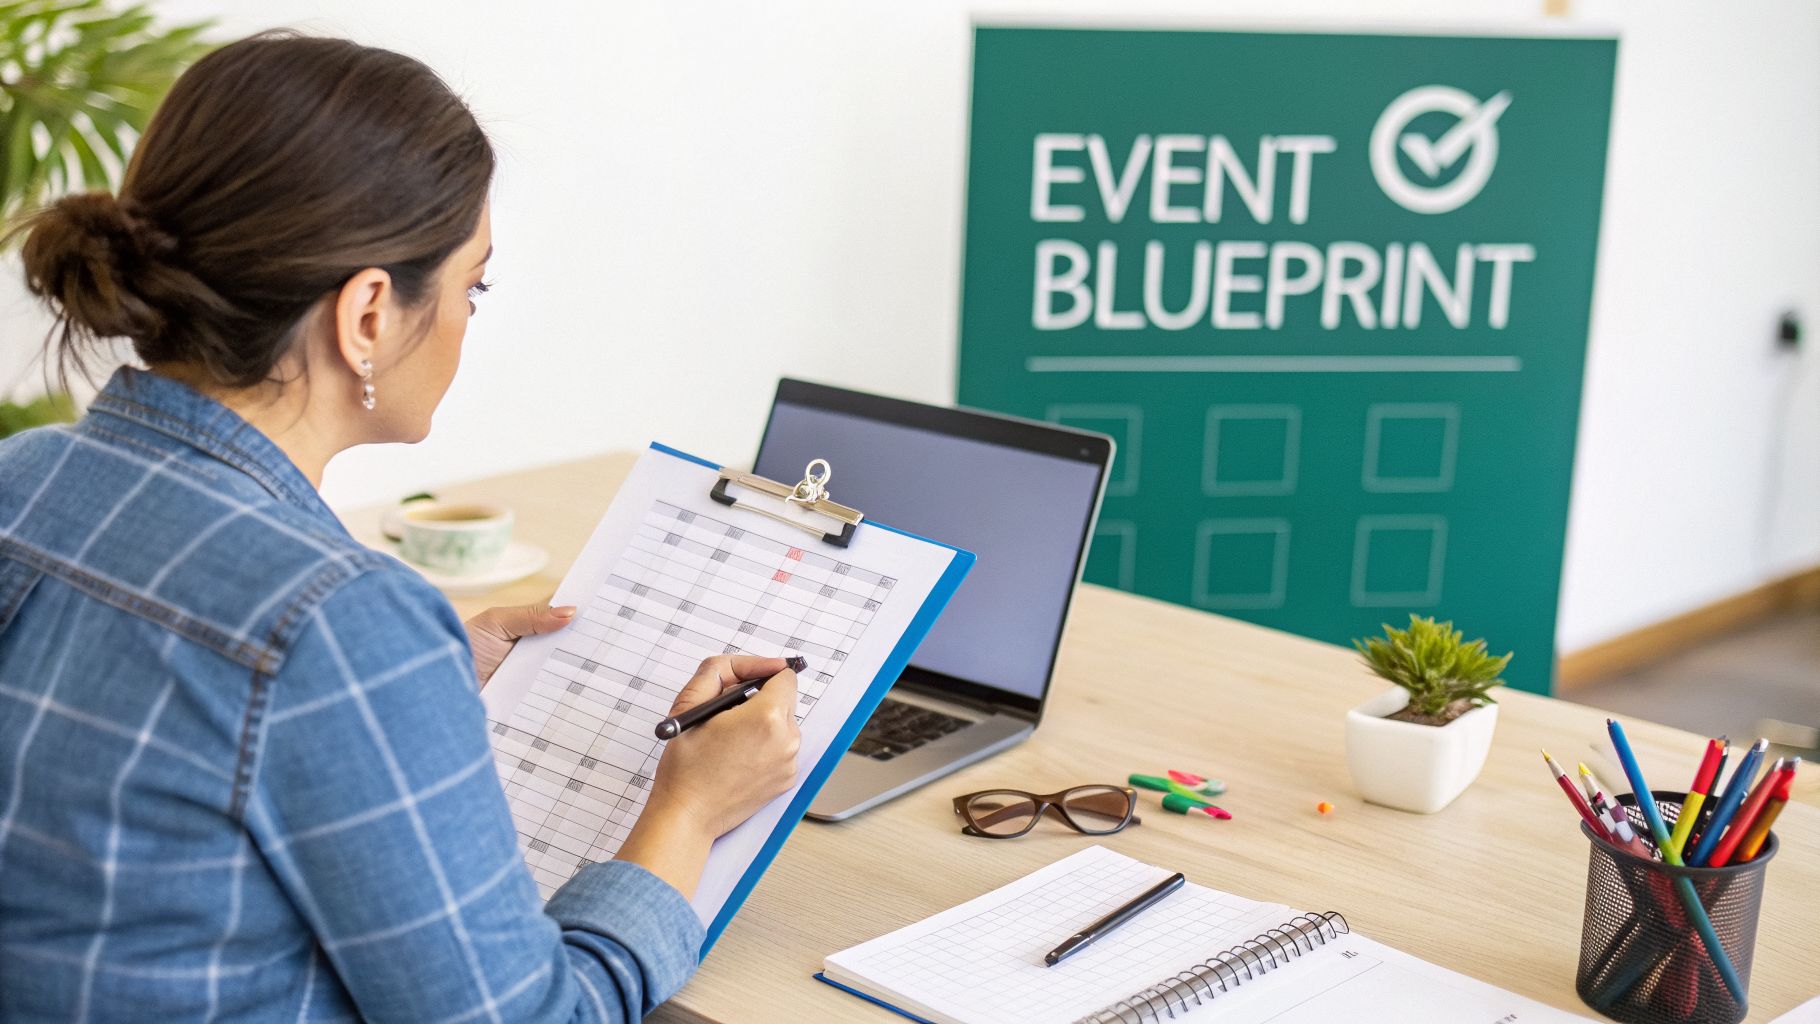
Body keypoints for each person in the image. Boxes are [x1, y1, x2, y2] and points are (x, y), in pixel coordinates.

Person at [0, 32, 801, 1022]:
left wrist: (399, 686)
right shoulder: (333, 623)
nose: (468, 316)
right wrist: (688, 811)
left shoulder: (21, 477)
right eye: (474, 285)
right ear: (368, 312)